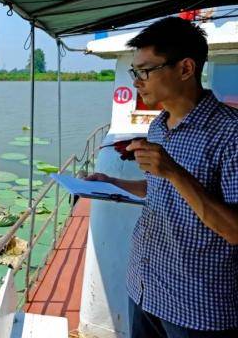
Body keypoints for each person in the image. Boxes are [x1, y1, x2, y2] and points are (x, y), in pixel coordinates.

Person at [87, 17, 238, 338]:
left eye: (145, 71)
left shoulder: (230, 134)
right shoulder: (158, 126)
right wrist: (111, 182)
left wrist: (173, 170)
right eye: (134, 72)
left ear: (185, 69)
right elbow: (158, 189)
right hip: (144, 285)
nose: (138, 81)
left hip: (197, 305)